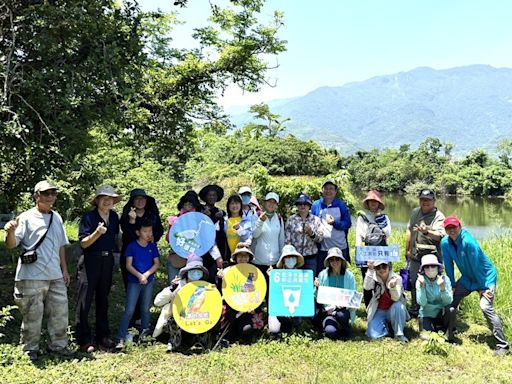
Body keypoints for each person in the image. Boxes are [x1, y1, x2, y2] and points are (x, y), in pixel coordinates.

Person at [5, 180, 74, 362]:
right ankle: (30, 350)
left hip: (55, 276)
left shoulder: (56, 217)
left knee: (60, 314)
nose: (50, 197)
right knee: (32, 316)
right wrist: (10, 232)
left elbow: (61, 246)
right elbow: (12, 245)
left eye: (53, 193)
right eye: (46, 193)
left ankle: (58, 346)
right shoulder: (26, 217)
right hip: (31, 277)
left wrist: (64, 270)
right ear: (36, 196)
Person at [441, 216, 509, 355]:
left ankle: (503, 345)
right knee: (450, 300)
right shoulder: (445, 243)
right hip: (468, 278)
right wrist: (452, 285)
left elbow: (476, 266)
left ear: (460, 226)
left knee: (485, 306)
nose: (452, 230)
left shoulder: (469, 242)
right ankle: (448, 332)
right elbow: (448, 265)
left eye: (454, 227)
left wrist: (482, 289)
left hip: (485, 277)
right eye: (448, 228)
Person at [75, 185, 121, 352]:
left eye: (110, 198)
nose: (107, 200)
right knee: (84, 301)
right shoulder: (89, 217)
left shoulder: (114, 217)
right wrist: (97, 232)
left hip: (107, 260)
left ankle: (103, 336)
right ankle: (83, 339)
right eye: (104, 198)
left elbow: (116, 239)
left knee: (103, 299)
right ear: (97, 200)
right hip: (90, 260)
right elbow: (83, 243)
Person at [119, 188, 163, 328]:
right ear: (132, 201)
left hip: (147, 255)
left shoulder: (152, 214)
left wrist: (152, 238)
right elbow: (129, 236)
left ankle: (143, 319)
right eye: (137, 199)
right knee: (131, 285)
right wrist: (132, 221)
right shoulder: (127, 215)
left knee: (146, 284)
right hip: (130, 256)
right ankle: (133, 318)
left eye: (142, 198)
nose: (140, 201)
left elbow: (159, 230)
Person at [116, 219, 161, 350]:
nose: (148, 234)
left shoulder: (152, 246)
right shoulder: (131, 246)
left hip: (148, 281)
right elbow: (128, 265)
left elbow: (156, 263)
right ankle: (120, 337)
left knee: (145, 309)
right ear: (138, 232)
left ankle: (145, 335)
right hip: (134, 282)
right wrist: (139, 276)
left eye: (150, 231)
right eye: (145, 231)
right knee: (129, 309)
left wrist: (146, 275)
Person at [152, 255, 210, 352]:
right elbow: (157, 302)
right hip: (179, 315)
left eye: (198, 271)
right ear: (187, 272)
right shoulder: (178, 285)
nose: (195, 274)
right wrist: (172, 289)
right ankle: (173, 342)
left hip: (196, 316)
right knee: (173, 322)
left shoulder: (204, 286)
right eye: (193, 270)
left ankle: (199, 342)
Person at [405, 188, 445, 317]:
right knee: (414, 281)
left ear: (434, 201)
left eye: (428, 200)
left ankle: (433, 309)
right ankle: (415, 307)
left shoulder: (439, 216)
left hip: (431, 257)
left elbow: (440, 236)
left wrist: (426, 232)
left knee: (432, 282)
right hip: (415, 255)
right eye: (422, 199)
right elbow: (410, 230)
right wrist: (407, 250)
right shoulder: (415, 212)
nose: (425, 202)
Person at [217, 244, 263, 341]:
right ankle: (226, 336)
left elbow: (259, 290)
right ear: (235, 258)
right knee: (229, 316)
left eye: (245, 255)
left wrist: (254, 307)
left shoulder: (255, 272)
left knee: (247, 329)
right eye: (240, 255)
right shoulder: (227, 271)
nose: (243, 258)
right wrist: (219, 279)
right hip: (231, 307)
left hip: (246, 308)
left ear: (249, 257)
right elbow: (220, 291)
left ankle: (238, 330)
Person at [355, 190, 391, 307]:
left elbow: (388, 233)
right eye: (371, 201)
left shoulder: (385, 217)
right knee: (367, 278)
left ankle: (380, 305)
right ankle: (368, 307)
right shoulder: (362, 218)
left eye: (375, 201)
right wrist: (359, 253)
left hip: (380, 252)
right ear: (368, 203)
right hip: (367, 251)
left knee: (380, 278)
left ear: (379, 203)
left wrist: (380, 220)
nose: (373, 203)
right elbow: (359, 235)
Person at [311, 179, 352, 276]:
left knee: (341, 274)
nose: (328, 191)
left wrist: (335, 223)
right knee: (321, 275)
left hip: (340, 247)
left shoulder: (341, 205)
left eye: (331, 189)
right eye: (326, 188)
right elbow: (312, 221)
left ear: (335, 192)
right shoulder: (316, 205)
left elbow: (348, 223)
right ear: (322, 190)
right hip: (322, 249)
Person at [314, 247, 356, 340]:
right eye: (331, 259)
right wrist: (317, 288)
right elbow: (318, 298)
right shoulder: (322, 275)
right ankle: (334, 326)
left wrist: (344, 304)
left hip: (343, 310)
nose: (334, 262)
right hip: (328, 311)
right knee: (330, 332)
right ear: (328, 261)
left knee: (341, 315)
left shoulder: (349, 276)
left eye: (337, 259)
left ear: (341, 260)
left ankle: (345, 327)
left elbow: (353, 297)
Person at [364, 260, 409, 342]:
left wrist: (392, 287)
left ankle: (399, 334)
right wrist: (370, 270)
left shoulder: (397, 278)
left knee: (399, 306)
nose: (381, 269)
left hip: (393, 309)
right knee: (373, 335)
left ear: (389, 267)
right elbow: (367, 287)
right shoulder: (373, 277)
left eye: (384, 266)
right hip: (379, 310)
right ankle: (389, 328)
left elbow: (395, 298)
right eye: (378, 267)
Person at [164, 191, 202, 283]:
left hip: (193, 259)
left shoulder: (200, 220)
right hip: (175, 257)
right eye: (186, 204)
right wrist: (171, 226)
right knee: (174, 286)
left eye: (191, 204)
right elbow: (168, 239)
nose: (188, 206)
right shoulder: (175, 219)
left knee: (191, 288)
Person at [268, 244, 305, 336]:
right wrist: (271, 279)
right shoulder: (277, 275)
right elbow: (275, 296)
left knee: (297, 322)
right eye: (287, 257)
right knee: (274, 330)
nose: (290, 259)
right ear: (283, 260)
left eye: (293, 257)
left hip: (295, 306)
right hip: (280, 307)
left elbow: (304, 295)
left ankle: (291, 326)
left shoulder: (301, 275)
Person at [415, 254, 453, 340]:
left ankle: (449, 334)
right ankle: (434, 328)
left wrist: (442, 288)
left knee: (451, 310)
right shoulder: (420, 280)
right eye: (427, 267)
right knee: (426, 338)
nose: (430, 269)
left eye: (433, 266)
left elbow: (449, 301)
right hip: (426, 314)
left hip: (441, 313)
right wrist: (422, 286)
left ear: (437, 268)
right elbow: (422, 303)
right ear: (423, 269)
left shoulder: (445, 279)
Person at [284, 193, 324, 273]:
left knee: (309, 283)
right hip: (294, 258)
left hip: (311, 258)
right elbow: (287, 241)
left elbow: (320, 238)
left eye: (305, 204)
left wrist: (312, 233)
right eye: (300, 204)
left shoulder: (316, 220)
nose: (303, 206)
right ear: (297, 206)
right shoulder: (291, 220)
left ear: (309, 206)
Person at [252, 192, 285, 283]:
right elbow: (254, 235)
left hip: (275, 262)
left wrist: (281, 259)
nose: (271, 204)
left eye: (274, 202)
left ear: (277, 205)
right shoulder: (257, 215)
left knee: (272, 293)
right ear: (264, 203)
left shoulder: (279, 218)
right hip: (258, 262)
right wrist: (260, 222)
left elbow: (281, 239)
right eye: (269, 201)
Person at [199, 184, 228, 267]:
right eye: (209, 195)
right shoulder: (200, 210)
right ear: (205, 197)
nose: (212, 197)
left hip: (219, 246)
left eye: (214, 195)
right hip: (203, 248)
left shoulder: (221, 212)